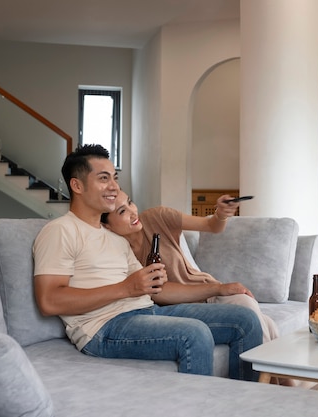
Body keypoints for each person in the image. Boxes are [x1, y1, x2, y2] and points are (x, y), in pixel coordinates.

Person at [32, 144, 262, 381]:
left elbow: (157, 290)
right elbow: (49, 301)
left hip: (144, 311)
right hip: (102, 328)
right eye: (103, 178)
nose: (113, 186)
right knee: (194, 334)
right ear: (77, 185)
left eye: (114, 178)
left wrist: (219, 288)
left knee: (245, 321)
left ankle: (242, 404)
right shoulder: (60, 231)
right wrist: (125, 288)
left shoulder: (114, 238)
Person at [100, 189, 279, 343]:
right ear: (106, 225)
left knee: (263, 320)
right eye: (122, 211)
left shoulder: (157, 217)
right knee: (257, 317)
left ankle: (277, 383)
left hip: (208, 293)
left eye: (130, 203)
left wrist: (221, 214)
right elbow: (159, 293)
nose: (133, 212)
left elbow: (210, 225)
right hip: (178, 308)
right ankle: (276, 382)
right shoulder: (117, 255)